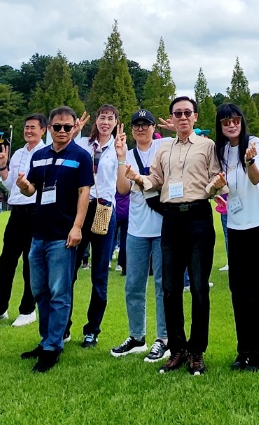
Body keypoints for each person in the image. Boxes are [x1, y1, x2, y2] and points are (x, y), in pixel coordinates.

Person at [124, 94, 222, 375]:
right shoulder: (164, 149)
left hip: (199, 218)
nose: (182, 117)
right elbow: (154, 180)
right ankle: (177, 348)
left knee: (200, 287)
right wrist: (137, 178)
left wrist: (216, 184)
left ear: (195, 117)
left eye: (187, 113)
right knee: (169, 287)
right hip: (171, 220)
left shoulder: (207, 145)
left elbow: (215, 175)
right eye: (177, 113)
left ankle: (197, 350)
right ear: (172, 117)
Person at [18, 105, 93, 373]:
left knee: (60, 292)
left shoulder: (81, 156)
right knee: (39, 290)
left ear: (74, 128)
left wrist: (77, 227)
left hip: (63, 235)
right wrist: (23, 186)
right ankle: (47, 338)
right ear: (49, 129)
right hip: (38, 234)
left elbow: (84, 193)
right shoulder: (38, 156)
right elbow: (32, 190)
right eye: (57, 127)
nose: (62, 131)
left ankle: (52, 347)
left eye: (67, 127)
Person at [214, 103, 259, 371]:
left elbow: (255, 179)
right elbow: (228, 185)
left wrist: (249, 160)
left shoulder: (255, 144)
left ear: (242, 121)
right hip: (236, 225)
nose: (231, 125)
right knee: (239, 291)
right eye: (226, 121)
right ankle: (244, 349)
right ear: (220, 125)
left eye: (235, 120)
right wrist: (217, 188)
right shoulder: (222, 151)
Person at [0, 115, 46, 328]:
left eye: (33, 128)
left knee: (30, 263)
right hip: (16, 212)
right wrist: (4, 166)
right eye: (26, 127)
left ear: (43, 130)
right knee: (6, 262)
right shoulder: (18, 153)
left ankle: (27, 309)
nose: (28, 131)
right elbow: (8, 184)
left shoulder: (45, 153)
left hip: (36, 211)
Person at [113, 109, 170, 360]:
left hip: (163, 227)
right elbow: (122, 190)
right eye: (136, 125)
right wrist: (120, 158)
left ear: (153, 127)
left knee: (162, 285)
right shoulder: (128, 154)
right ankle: (137, 336)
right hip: (136, 229)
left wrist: (173, 127)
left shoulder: (163, 145)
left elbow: (188, 138)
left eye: (145, 124)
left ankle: (164, 337)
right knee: (133, 284)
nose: (141, 129)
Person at [72, 105, 123, 348]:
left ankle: (92, 329)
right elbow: (64, 155)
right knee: (69, 271)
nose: (105, 122)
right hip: (81, 208)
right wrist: (72, 135)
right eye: (102, 117)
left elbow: (122, 184)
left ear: (115, 123)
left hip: (104, 209)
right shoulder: (82, 144)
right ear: (96, 120)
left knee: (99, 274)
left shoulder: (118, 148)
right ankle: (63, 325)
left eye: (110, 118)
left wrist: (122, 156)